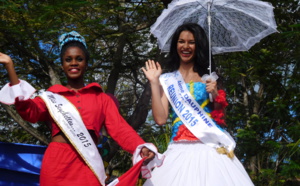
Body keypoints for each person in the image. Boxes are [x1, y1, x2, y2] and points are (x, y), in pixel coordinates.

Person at [0, 31, 163, 186]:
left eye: (79, 59)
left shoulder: (102, 98)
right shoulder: (52, 96)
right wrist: (10, 68)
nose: (73, 63)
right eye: (68, 59)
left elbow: (120, 129)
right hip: (56, 164)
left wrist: (140, 147)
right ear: (62, 64)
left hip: (88, 165)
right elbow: (29, 112)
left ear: (86, 63)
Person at [141, 23, 254, 186]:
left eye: (191, 42)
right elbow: (160, 119)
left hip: (209, 150)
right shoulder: (167, 80)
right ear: (176, 45)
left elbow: (221, 119)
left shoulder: (210, 78)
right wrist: (153, 82)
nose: (185, 46)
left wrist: (215, 94)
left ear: (198, 45)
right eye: (181, 41)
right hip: (178, 150)